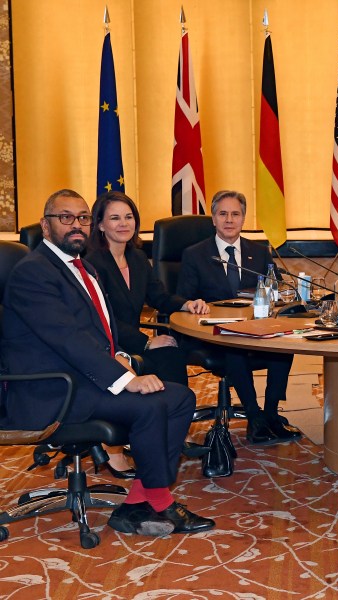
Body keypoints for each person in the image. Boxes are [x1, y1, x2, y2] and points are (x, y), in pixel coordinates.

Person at [1, 189, 214, 536]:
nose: (77, 225)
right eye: (65, 217)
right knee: (148, 407)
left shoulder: (81, 268)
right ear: (45, 225)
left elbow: (98, 331)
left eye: (83, 217)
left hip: (81, 378)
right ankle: (160, 503)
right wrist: (125, 378)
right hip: (50, 390)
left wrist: (121, 358)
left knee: (179, 398)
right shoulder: (34, 273)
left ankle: (135, 504)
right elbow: (67, 336)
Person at [177, 190, 299, 446]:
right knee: (235, 348)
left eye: (235, 214)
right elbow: (182, 299)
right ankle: (254, 416)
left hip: (254, 329)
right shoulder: (195, 254)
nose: (229, 220)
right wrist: (194, 304)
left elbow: (276, 289)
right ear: (213, 219)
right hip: (212, 335)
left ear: (244, 219)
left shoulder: (260, 252)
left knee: (284, 346)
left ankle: (271, 414)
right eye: (223, 214)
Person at [86, 191, 209, 386]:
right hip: (110, 347)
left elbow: (158, 296)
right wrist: (146, 342)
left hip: (133, 343)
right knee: (168, 358)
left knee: (172, 355)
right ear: (100, 224)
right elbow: (104, 320)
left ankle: (175, 412)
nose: (124, 223)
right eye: (115, 218)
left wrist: (186, 304)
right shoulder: (92, 264)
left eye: (128, 217)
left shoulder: (138, 258)